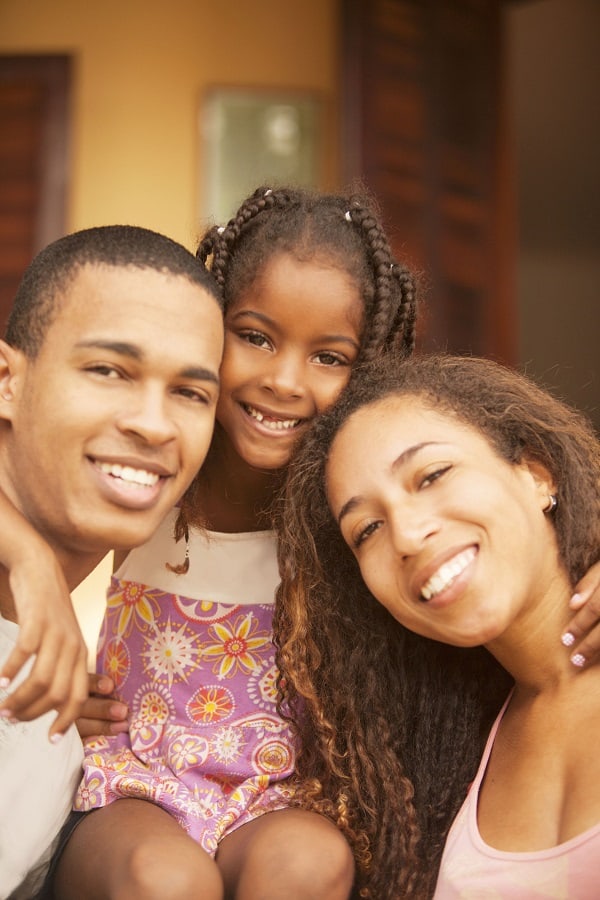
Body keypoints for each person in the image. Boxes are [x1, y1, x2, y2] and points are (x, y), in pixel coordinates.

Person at [44, 185, 418, 900]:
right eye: (255, 336)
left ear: (365, 370)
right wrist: (36, 575)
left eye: (328, 357)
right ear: (211, 330)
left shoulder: (352, 512)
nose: (283, 380)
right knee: (165, 881)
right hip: (138, 784)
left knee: (312, 865)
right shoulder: (157, 467)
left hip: (281, 793)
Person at [275, 352, 600, 898]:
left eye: (432, 475)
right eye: (367, 528)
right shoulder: (441, 768)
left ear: (536, 472)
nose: (404, 535)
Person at [0, 223, 224, 898]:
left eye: (191, 392)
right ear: (7, 382)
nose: (154, 425)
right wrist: (26, 557)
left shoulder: (72, 726)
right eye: (107, 370)